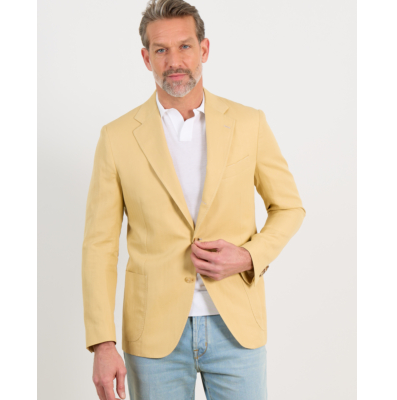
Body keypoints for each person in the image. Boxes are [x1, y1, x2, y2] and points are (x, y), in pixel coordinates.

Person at [81, 0, 306, 399]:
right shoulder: (116, 138)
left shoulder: (248, 123)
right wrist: (102, 342)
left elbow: (289, 207)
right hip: (153, 337)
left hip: (236, 327)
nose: (174, 61)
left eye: (184, 46)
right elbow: (99, 247)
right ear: (146, 58)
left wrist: (249, 256)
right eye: (161, 50)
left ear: (204, 49)